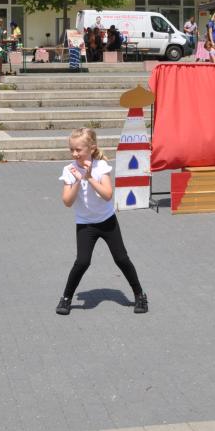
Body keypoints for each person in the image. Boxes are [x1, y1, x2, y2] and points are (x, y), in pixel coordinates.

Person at [56, 128, 147, 316]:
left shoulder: (101, 166)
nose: (74, 154)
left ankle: (140, 295)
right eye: (72, 149)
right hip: (85, 224)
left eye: (78, 150)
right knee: (82, 262)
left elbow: (107, 195)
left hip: (107, 221)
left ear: (91, 148)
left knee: (121, 258)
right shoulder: (69, 170)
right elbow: (67, 202)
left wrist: (89, 177)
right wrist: (77, 180)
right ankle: (66, 298)